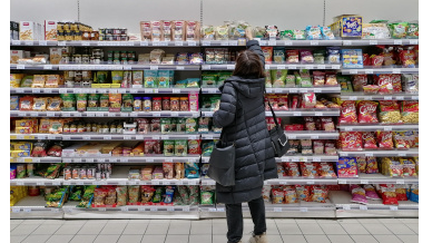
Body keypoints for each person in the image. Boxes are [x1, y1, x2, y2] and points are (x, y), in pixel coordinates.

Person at [212, 28, 278, 243]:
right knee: (254, 191)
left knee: (232, 198)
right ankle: (260, 234)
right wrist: (252, 40)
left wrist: (215, 113)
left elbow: (225, 118)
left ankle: (234, 239)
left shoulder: (232, 86)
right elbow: (258, 56)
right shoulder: (260, 81)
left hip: (236, 149)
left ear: (237, 67)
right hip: (259, 145)